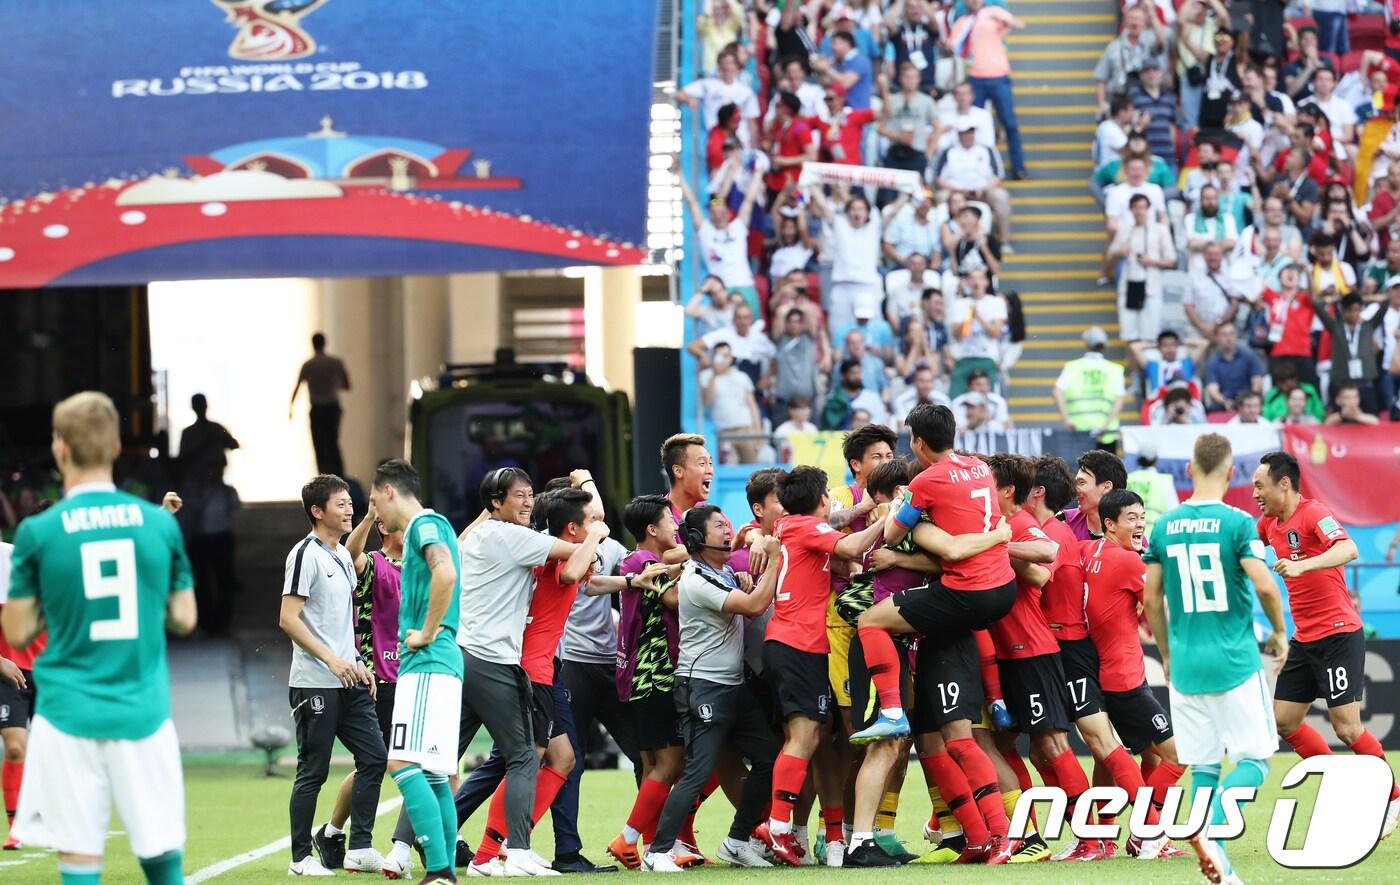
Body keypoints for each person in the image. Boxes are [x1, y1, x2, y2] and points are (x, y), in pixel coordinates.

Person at [0, 392, 197, 885]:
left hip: (67, 718)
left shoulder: (37, 532)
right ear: (115, 449)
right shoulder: (157, 524)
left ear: (60, 449)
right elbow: (184, 617)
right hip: (143, 713)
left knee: (80, 862)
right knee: (161, 859)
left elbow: (18, 629)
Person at [849, 404, 1018, 863]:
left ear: (918, 443)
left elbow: (912, 540)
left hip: (964, 598)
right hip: (973, 603)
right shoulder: (978, 467)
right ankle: (976, 837)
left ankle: (1005, 835)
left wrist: (899, 518)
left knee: (871, 621)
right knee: (937, 737)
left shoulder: (923, 489)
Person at [1142, 433, 1288, 885]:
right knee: (1256, 761)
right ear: (1230, 473)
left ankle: (1217, 861)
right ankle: (1213, 826)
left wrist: (1166, 654)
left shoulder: (1164, 527)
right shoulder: (1239, 523)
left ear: (1189, 471)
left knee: (1203, 764)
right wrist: (1281, 632)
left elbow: (1151, 598)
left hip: (1184, 667)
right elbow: (1264, 585)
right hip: (1235, 662)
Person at [1252, 452, 1400, 838]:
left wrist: (1303, 565)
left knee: (1347, 728)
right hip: (1304, 638)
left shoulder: (1314, 513)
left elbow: (1349, 550)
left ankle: (1391, 796)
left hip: (1338, 633)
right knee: (1284, 722)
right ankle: (1342, 787)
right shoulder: (1268, 524)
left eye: (1259, 485)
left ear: (1284, 484)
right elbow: (1242, 547)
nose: (1255, 493)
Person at [453, 467, 582, 877]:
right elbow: (576, 570)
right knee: (525, 758)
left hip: (533, 666)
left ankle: (491, 849)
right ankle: (494, 851)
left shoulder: (527, 545)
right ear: (572, 525)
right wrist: (589, 495)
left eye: (531, 496)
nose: (527, 502)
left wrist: (631, 578)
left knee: (554, 758)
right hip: (527, 668)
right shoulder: (539, 547)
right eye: (519, 495)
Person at [642, 510, 783, 872]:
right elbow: (754, 606)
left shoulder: (718, 572)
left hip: (732, 685)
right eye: (719, 527)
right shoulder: (697, 579)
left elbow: (744, 606)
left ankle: (737, 841)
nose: (728, 531)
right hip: (702, 686)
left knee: (770, 757)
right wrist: (775, 559)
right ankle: (656, 853)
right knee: (696, 772)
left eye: (727, 524)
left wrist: (744, 581)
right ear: (696, 540)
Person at [763, 466, 889, 865]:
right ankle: (778, 825)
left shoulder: (788, 526)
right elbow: (850, 549)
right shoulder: (806, 527)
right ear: (820, 500)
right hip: (797, 643)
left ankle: (792, 828)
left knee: (812, 735)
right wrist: (884, 519)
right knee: (804, 736)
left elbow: (836, 554)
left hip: (794, 643)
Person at [355, 461, 460, 885]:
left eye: (375, 500)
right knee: (435, 774)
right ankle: (446, 870)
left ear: (390, 492)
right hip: (446, 662)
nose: (375, 511)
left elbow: (446, 572)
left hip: (427, 661)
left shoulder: (421, 525)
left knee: (399, 761)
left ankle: (436, 870)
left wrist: (426, 632)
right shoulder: (439, 524)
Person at [279, 474, 386, 876]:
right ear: (317, 511)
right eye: (341, 504)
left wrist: (356, 660)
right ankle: (300, 859)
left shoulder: (342, 555)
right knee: (314, 770)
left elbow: (340, 622)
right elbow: (288, 619)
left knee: (375, 757)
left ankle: (358, 847)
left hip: (349, 678)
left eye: (350, 503)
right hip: (314, 682)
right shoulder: (304, 555)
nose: (349, 509)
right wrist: (330, 659)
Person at [1080, 490, 1186, 849]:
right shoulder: (1129, 563)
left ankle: (1118, 834)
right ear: (1109, 524)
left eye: (1142, 517)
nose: (1140, 523)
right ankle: (1147, 829)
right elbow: (1158, 608)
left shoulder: (1088, 551)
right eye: (1131, 518)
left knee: (1148, 755)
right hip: (1125, 678)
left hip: (1105, 672)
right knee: (1178, 754)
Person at [313, 496, 409, 874]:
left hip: (413, 676)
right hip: (377, 676)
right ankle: (338, 832)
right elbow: (351, 553)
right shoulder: (373, 564)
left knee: (394, 760)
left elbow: (459, 548)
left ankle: (334, 832)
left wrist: (487, 511)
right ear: (385, 529)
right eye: (400, 523)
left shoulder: (421, 567)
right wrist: (370, 515)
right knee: (378, 760)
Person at [176, 393, 241, 637]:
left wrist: (217, 439)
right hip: (201, 529)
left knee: (222, 578)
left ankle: (220, 621)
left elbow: (233, 444)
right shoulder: (190, 434)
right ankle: (206, 620)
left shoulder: (215, 429)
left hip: (219, 530)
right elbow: (183, 458)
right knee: (202, 579)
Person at [950, 0, 1029, 179]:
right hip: (975, 78)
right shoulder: (963, 22)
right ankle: (977, 168)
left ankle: (1019, 167)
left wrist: (1002, 24)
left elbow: (1020, 24)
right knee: (971, 125)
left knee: (1009, 123)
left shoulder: (993, 12)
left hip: (998, 75)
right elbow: (953, 47)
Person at [680, 175, 764, 320]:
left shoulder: (738, 227)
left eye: (721, 211)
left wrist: (759, 171)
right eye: (714, 212)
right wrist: (678, 174)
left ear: (727, 212)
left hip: (746, 286)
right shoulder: (706, 231)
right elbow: (691, 202)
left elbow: (749, 199)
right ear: (710, 214)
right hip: (723, 292)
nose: (718, 216)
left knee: (753, 330)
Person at [1109, 193, 1176, 360]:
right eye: (1136, 208)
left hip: (1151, 287)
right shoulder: (1125, 231)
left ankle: (1147, 377)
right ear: (1131, 210)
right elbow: (1110, 259)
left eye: (1142, 208)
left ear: (1148, 209)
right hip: (1129, 285)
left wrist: (1151, 261)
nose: (1139, 212)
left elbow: (1171, 261)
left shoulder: (1160, 230)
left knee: (1150, 336)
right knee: (1129, 335)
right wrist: (1119, 253)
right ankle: (1134, 376)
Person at [934, 119, 1013, 246]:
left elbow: (997, 176)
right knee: (941, 196)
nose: (968, 135)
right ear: (959, 134)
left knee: (1001, 196)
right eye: (965, 132)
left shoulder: (986, 150)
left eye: (971, 132)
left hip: (983, 191)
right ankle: (942, 240)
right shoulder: (949, 151)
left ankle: (1004, 241)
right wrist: (959, 191)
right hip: (956, 192)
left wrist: (982, 189)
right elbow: (939, 179)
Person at [1315, 292, 1388, 414]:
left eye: (1357, 309)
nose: (1353, 314)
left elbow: (1386, 302)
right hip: (1341, 382)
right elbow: (1317, 304)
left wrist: (1362, 299)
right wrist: (1337, 298)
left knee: (1371, 417)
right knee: (1339, 419)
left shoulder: (1368, 326)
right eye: (1349, 310)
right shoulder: (1335, 327)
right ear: (1343, 311)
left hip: (1365, 381)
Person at [1053, 327, 1126, 447]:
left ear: (1085, 344)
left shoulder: (1072, 367)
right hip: (1106, 434)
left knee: (1081, 465)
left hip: (1079, 431)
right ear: (1104, 345)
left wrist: (1067, 419)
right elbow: (1119, 401)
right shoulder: (1115, 370)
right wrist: (1105, 426)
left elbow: (1057, 392)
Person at [290, 333, 350, 478]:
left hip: (317, 408)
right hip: (332, 406)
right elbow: (346, 385)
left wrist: (291, 409)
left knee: (319, 445)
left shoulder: (308, 365)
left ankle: (322, 476)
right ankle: (339, 475)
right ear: (325, 343)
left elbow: (298, 387)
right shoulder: (335, 362)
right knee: (333, 443)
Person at [700, 343, 762, 464]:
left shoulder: (742, 377)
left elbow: (752, 406)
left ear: (731, 358)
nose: (722, 359)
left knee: (753, 469)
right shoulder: (706, 376)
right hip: (724, 433)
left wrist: (758, 432)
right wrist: (714, 373)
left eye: (726, 356)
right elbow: (707, 401)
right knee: (729, 467)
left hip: (745, 430)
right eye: (719, 355)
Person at [1063, 449, 1128, 541]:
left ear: (1106, 487)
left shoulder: (1130, 533)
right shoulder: (1064, 521)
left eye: (1081, 482)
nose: (1074, 489)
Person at [1204, 323, 1265, 412]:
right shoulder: (1213, 362)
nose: (1228, 338)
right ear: (1218, 338)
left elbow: (1257, 383)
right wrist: (1224, 402)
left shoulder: (1249, 356)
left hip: (1248, 401)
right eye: (1224, 335)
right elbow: (1213, 390)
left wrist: (1247, 402)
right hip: (1224, 403)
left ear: (1236, 336)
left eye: (1231, 334)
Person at [1125, 443, 1180, 538]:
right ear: (1156, 461)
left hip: (1130, 535)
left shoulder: (1128, 479)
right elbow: (1174, 513)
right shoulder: (1164, 481)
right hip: (1156, 536)